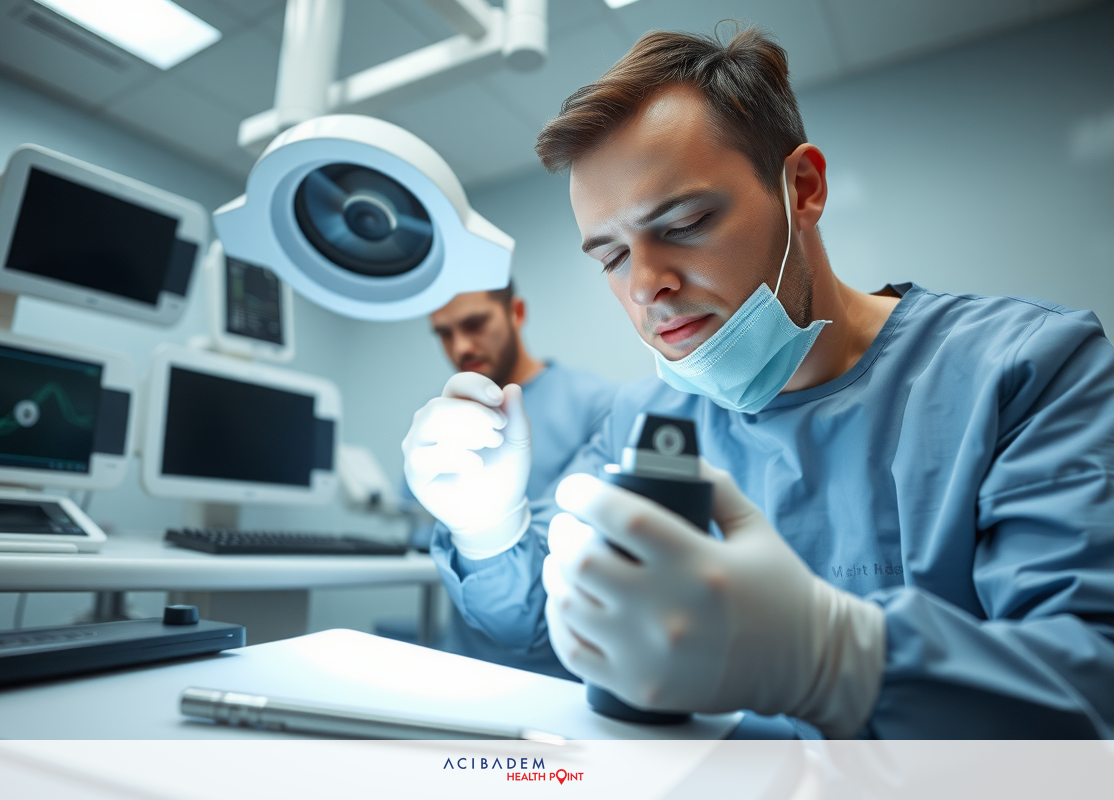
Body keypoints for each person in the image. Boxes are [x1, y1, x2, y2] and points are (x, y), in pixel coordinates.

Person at [402, 28, 1114, 738]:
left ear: (802, 189)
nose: (646, 285)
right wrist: (489, 528)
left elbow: (1090, 687)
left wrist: (836, 660)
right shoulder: (646, 419)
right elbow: (541, 626)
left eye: (684, 223)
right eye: (612, 257)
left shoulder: (1022, 370)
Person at [405, 283, 616, 678]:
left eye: (475, 324)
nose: (461, 346)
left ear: (516, 313)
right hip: (463, 663)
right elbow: (418, 532)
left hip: (555, 672)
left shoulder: (598, 406)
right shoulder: (444, 420)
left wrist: (494, 528)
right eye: (444, 333)